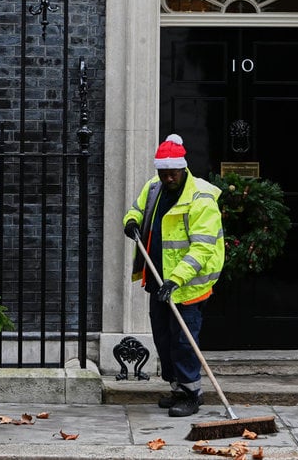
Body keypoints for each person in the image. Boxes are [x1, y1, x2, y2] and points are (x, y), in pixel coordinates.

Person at [122, 134, 225, 417]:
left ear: (183, 169)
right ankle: (177, 387)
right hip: (157, 280)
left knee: (183, 341)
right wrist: (130, 221)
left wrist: (175, 279)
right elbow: (137, 209)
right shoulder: (153, 188)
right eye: (163, 173)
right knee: (164, 338)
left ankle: (193, 394)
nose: (168, 178)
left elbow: (203, 248)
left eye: (173, 174)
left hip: (187, 286)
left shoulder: (201, 198)